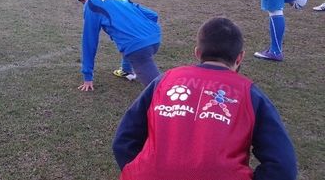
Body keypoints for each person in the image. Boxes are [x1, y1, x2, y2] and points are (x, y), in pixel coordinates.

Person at [112, 17, 297, 180]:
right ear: (240, 58)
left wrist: (139, 171)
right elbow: (283, 166)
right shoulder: (250, 94)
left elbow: (124, 139)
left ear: (197, 53)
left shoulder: (165, 80)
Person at [72, 0, 161, 91]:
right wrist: (147, 35)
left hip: (138, 48)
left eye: (82, 3)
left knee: (157, 88)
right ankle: (126, 70)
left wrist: (87, 76)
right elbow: (153, 15)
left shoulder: (91, 3)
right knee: (124, 38)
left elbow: (89, 41)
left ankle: (171, 103)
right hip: (155, 37)